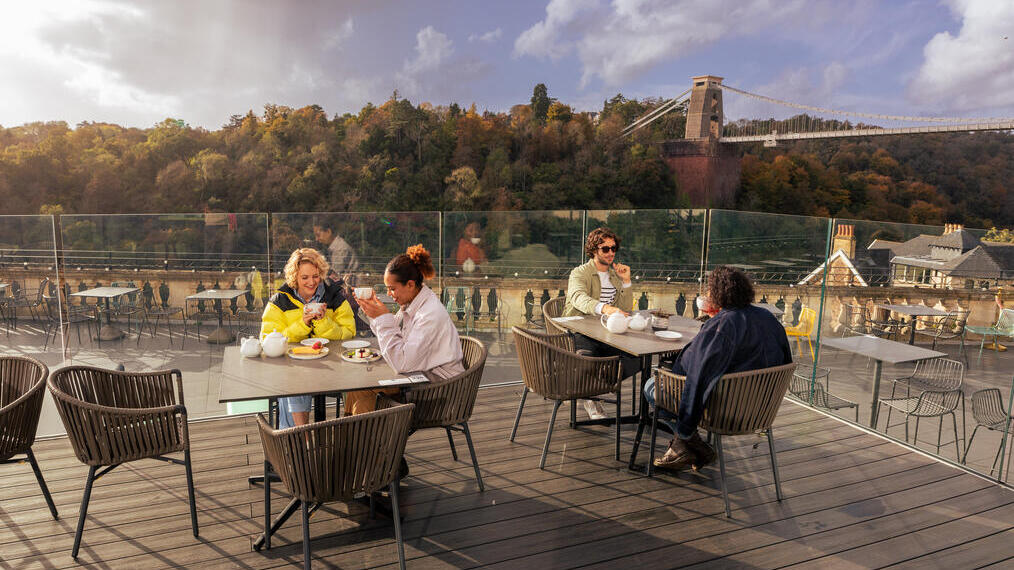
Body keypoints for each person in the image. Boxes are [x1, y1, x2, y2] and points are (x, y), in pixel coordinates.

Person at [645, 265, 792, 472]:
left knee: (652, 386)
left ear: (718, 294)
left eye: (708, 291)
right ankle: (682, 447)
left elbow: (698, 377)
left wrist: (686, 427)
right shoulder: (769, 319)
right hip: (761, 410)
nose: (705, 294)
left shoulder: (722, 327)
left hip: (725, 412)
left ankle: (690, 442)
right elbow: (785, 359)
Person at [355, 244, 465, 415]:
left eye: (392, 289)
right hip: (419, 379)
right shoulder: (412, 304)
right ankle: (353, 440)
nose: (390, 294)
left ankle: (366, 441)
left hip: (439, 393)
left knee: (365, 400)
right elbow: (395, 339)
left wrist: (383, 318)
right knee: (357, 390)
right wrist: (375, 314)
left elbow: (401, 362)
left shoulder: (429, 314)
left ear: (410, 284)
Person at [261, 248, 356, 428]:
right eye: (304, 277)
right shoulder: (279, 300)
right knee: (292, 382)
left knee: (289, 386)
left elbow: (348, 332)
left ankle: (295, 442)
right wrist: (302, 325)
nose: (311, 282)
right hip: (294, 369)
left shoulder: (335, 297)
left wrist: (323, 322)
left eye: (315, 276)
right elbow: (268, 338)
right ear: (294, 277)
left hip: (332, 368)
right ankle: (301, 439)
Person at [563, 226, 638, 419]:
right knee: (588, 357)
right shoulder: (579, 273)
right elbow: (578, 297)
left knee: (636, 358)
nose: (611, 253)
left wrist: (626, 282)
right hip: (580, 329)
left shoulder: (615, 275)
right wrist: (605, 308)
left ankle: (591, 387)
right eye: (605, 249)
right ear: (594, 250)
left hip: (605, 330)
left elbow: (625, 308)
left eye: (614, 248)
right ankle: (591, 398)